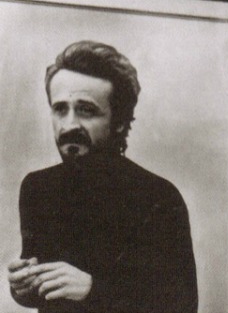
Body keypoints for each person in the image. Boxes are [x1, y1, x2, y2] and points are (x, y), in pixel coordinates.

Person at [7, 41, 198, 313]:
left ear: (119, 120)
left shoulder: (159, 197)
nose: (69, 125)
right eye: (60, 109)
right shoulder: (38, 188)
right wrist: (22, 287)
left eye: (86, 110)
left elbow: (182, 306)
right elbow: (42, 293)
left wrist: (92, 290)